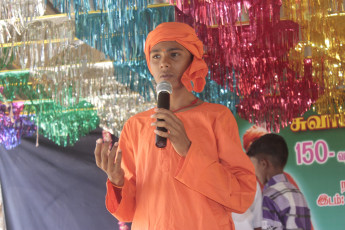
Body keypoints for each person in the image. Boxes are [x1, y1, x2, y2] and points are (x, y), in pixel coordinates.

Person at [94, 22, 257, 229]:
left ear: (192, 60)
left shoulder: (216, 117)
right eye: (156, 56)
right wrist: (117, 182)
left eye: (174, 54)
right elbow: (127, 212)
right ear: (149, 64)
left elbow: (241, 196)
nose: (164, 63)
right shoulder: (135, 126)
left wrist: (188, 150)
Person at [247, 133, 311, 230]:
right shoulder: (298, 194)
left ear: (264, 164)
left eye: (254, 166)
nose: (254, 173)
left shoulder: (268, 196)